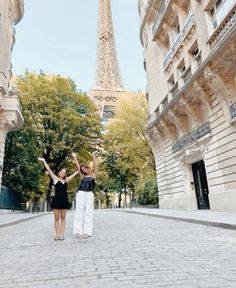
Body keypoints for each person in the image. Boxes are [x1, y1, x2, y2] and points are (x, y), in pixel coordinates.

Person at [38, 157, 78, 241]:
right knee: (56, 218)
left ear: (65, 174)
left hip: (64, 200)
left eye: (64, 172)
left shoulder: (66, 180)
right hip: (56, 200)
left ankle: (62, 234)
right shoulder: (55, 179)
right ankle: (57, 234)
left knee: (63, 218)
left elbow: (76, 172)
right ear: (59, 172)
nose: (62, 173)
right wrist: (44, 161)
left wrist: (78, 164)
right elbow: (49, 170)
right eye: (61, 172)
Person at [72, 152, 97, 238]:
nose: (83, 170)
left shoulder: (93, 174)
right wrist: (75, 157)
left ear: (87, 168)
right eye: (82, 169)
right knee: (79, 211)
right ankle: (79, 232)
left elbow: (95, 165)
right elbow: (78, 166)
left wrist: (93, 156)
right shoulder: (82, 176)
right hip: (81, 193)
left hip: (90, 193)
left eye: (84, 168)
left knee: (89, 212)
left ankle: (87, 232)